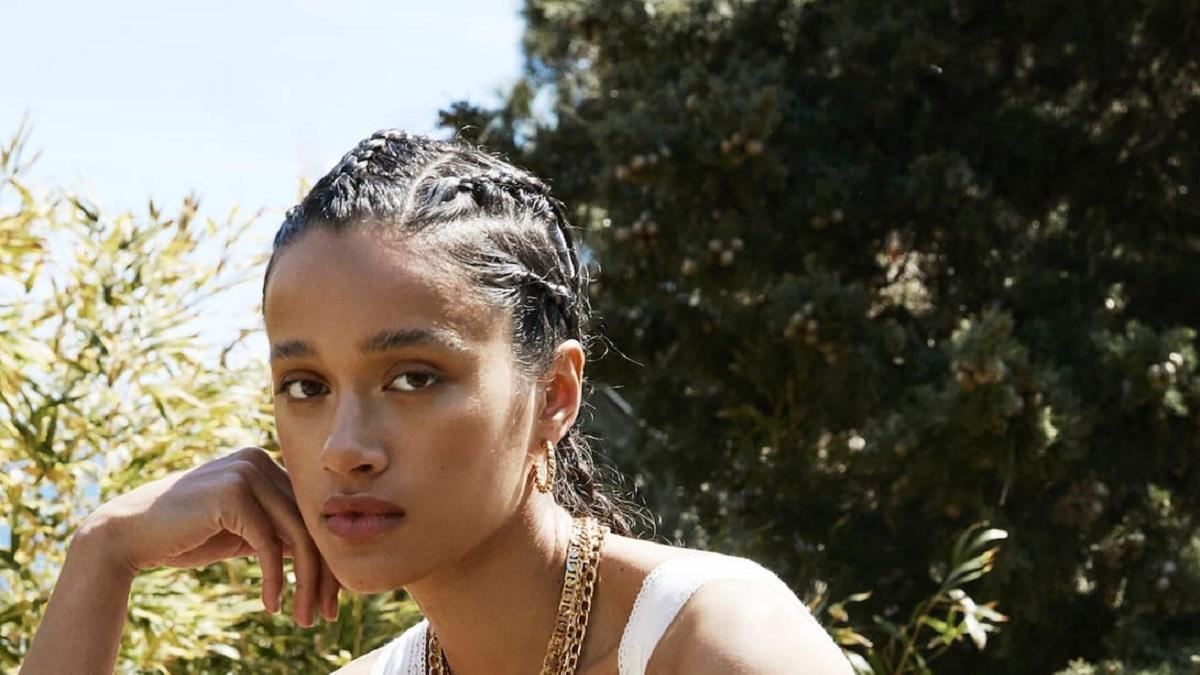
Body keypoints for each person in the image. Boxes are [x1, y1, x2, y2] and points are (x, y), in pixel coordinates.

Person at [21, 130, 853, 675]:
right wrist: (103, 554)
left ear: (554, 394)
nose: (345, 447)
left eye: (414, 377)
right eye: (305, 386)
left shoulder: (712, 642)